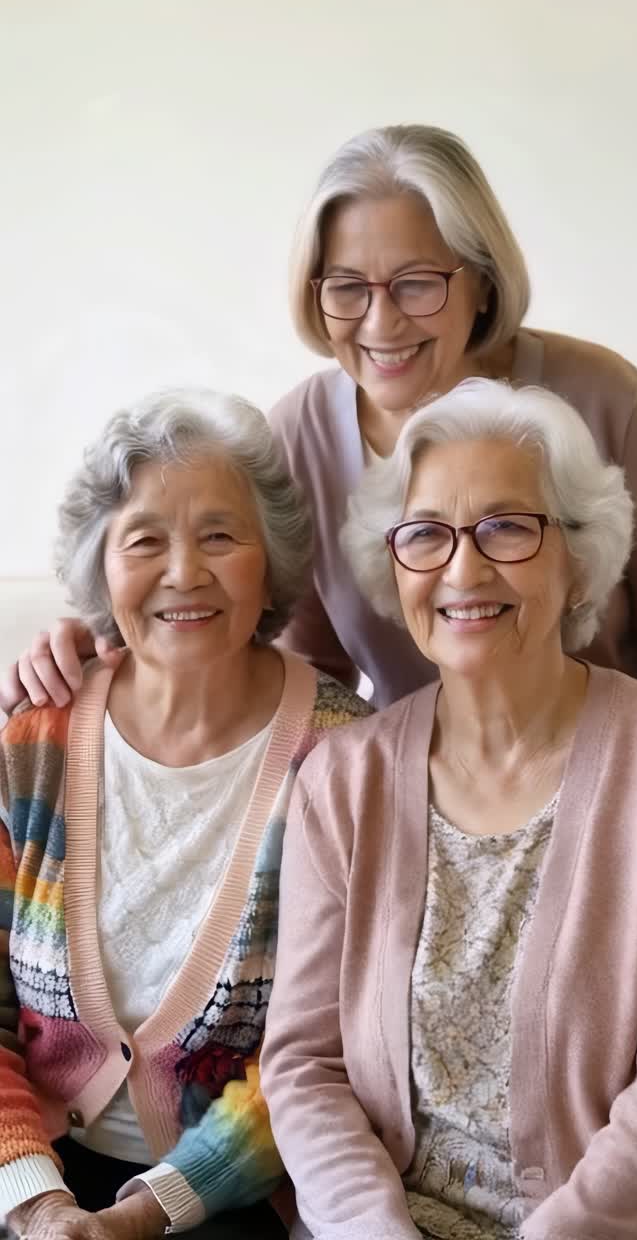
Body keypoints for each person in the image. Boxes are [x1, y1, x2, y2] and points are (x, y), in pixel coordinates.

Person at [2, 124, 637, 713]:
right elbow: (297, 658)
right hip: (419, 780)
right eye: (347, 287)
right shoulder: (299, 436)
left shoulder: (601, 395)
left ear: (482, 280)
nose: (381, 323)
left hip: (614, 767)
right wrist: (110, 653)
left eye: (417, 284)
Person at [261, 380, 637, 1240]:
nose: (464, 570)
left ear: (578, 555)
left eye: (508, 527)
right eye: (426, 535)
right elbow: (305, 1064)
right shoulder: (342, 779)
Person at [0, 389, 369, 1240]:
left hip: (231, 1194)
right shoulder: (34, 740)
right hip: (26, 1171)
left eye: (219, 536)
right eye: (145, 541)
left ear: (271, 559)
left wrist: (145, 1214)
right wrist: (39, 1203)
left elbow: (335, 1050)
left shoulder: (346, 758)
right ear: (101, 564)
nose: (183, 573)